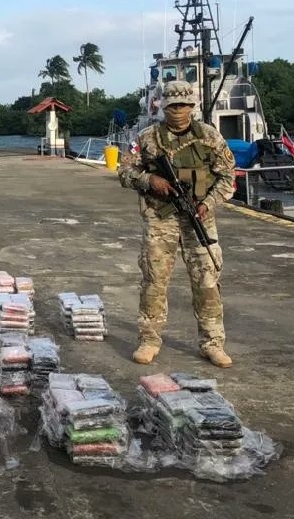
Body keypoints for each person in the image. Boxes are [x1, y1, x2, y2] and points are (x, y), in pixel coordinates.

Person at [117, 81, 236, 368]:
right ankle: (149, 340)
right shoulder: (147, 138)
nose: (178, 111)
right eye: (172, 106)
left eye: (183, 106)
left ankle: (212, 343)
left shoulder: (209, 137)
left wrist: (207, 204)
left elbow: (227, 177)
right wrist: (149, 180)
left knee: (207, 280)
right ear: (162, 107)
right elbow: (124, 170)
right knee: (154, 281)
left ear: (192, 106)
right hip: (161, 217)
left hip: (199, 217)